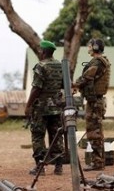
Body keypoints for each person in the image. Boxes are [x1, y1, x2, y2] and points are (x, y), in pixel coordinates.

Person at [24, 40, 65, 176]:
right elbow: (65, 85)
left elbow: (36, 88)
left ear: (44, 52)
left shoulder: (40, 66)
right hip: (56, 107)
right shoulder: (60, 66)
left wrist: (28, 105)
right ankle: (58, 167)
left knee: (37, 135)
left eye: (41, 50)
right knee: (56, 135)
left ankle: (40, 167)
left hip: (41, 108)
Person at [72, 38, 111, 171]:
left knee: (94, 132)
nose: (88, 48)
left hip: (95, 102)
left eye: (89, 46)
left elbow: (87, 77)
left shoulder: (97, 62)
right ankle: (99, 161)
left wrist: (74, 84)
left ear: (94, 47)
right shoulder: (100, 61)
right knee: (97, 131)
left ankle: (97, 163)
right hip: (95, 101)